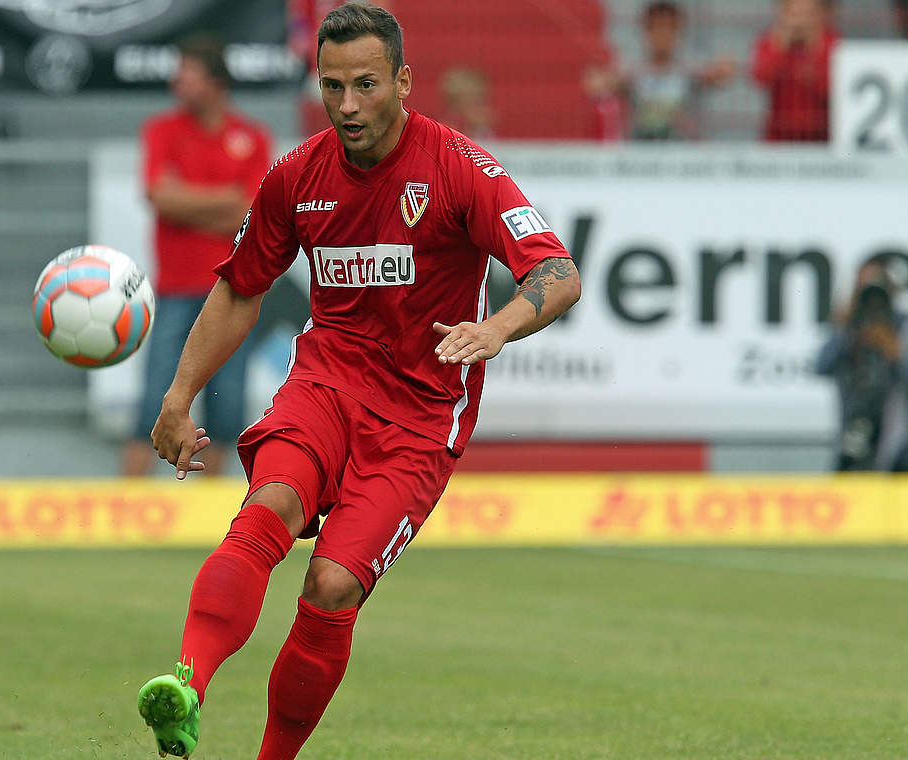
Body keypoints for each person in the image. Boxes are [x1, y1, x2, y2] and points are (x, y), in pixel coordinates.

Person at [133, 3, 581, 758]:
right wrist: (178, 397)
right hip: (325, 389)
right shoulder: (297, 176)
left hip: (417, 420)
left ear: (403, 81)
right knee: (268, 506)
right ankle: (186, 684)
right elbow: (241, 287)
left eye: (366, 85)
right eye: (332, 86)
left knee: (332, 588)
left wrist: (496, 328)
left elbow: (558, 271)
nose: (347, 106)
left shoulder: (459, 169)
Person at [120, 35, 273, 477]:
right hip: (175, 291)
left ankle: (209, 518)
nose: (176, 84)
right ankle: (126, 515)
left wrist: (188, 205)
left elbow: (251, 210)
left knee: (224, 414)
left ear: (214, 82)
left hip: (230, 293)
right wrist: (224, 204)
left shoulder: (251, 136)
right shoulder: (161, 130)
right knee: (152, 405)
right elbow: (159, 197)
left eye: (186, 76)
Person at [815, 259, 908, 472]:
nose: (873, 301)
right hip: (858, 444)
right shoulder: (850, 332)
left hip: (904, 453)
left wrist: (896, 352)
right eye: (864, 291)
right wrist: (843, 328)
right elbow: (821, 366)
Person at [586, 1, 735, 141]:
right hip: (640, 152)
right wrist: (606, 80)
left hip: (681, 152)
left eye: (670, 28)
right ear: (646, 31)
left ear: (678, 31)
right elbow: (595, 86)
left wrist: (720, 71)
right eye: (657, 27)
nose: (663, 35)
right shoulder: (632, 71)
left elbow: (722, 77)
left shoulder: (689, 71)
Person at [751, 0, 839, 142]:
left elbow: (831, 88)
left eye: (808, 14)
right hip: (779, 137)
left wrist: (814, 49)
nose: (800, 21)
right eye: (794, 14)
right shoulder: (772, 41)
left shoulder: (833, 43)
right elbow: (760, 77)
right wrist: (781, 47)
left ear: (822, 14)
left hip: (822, 137)